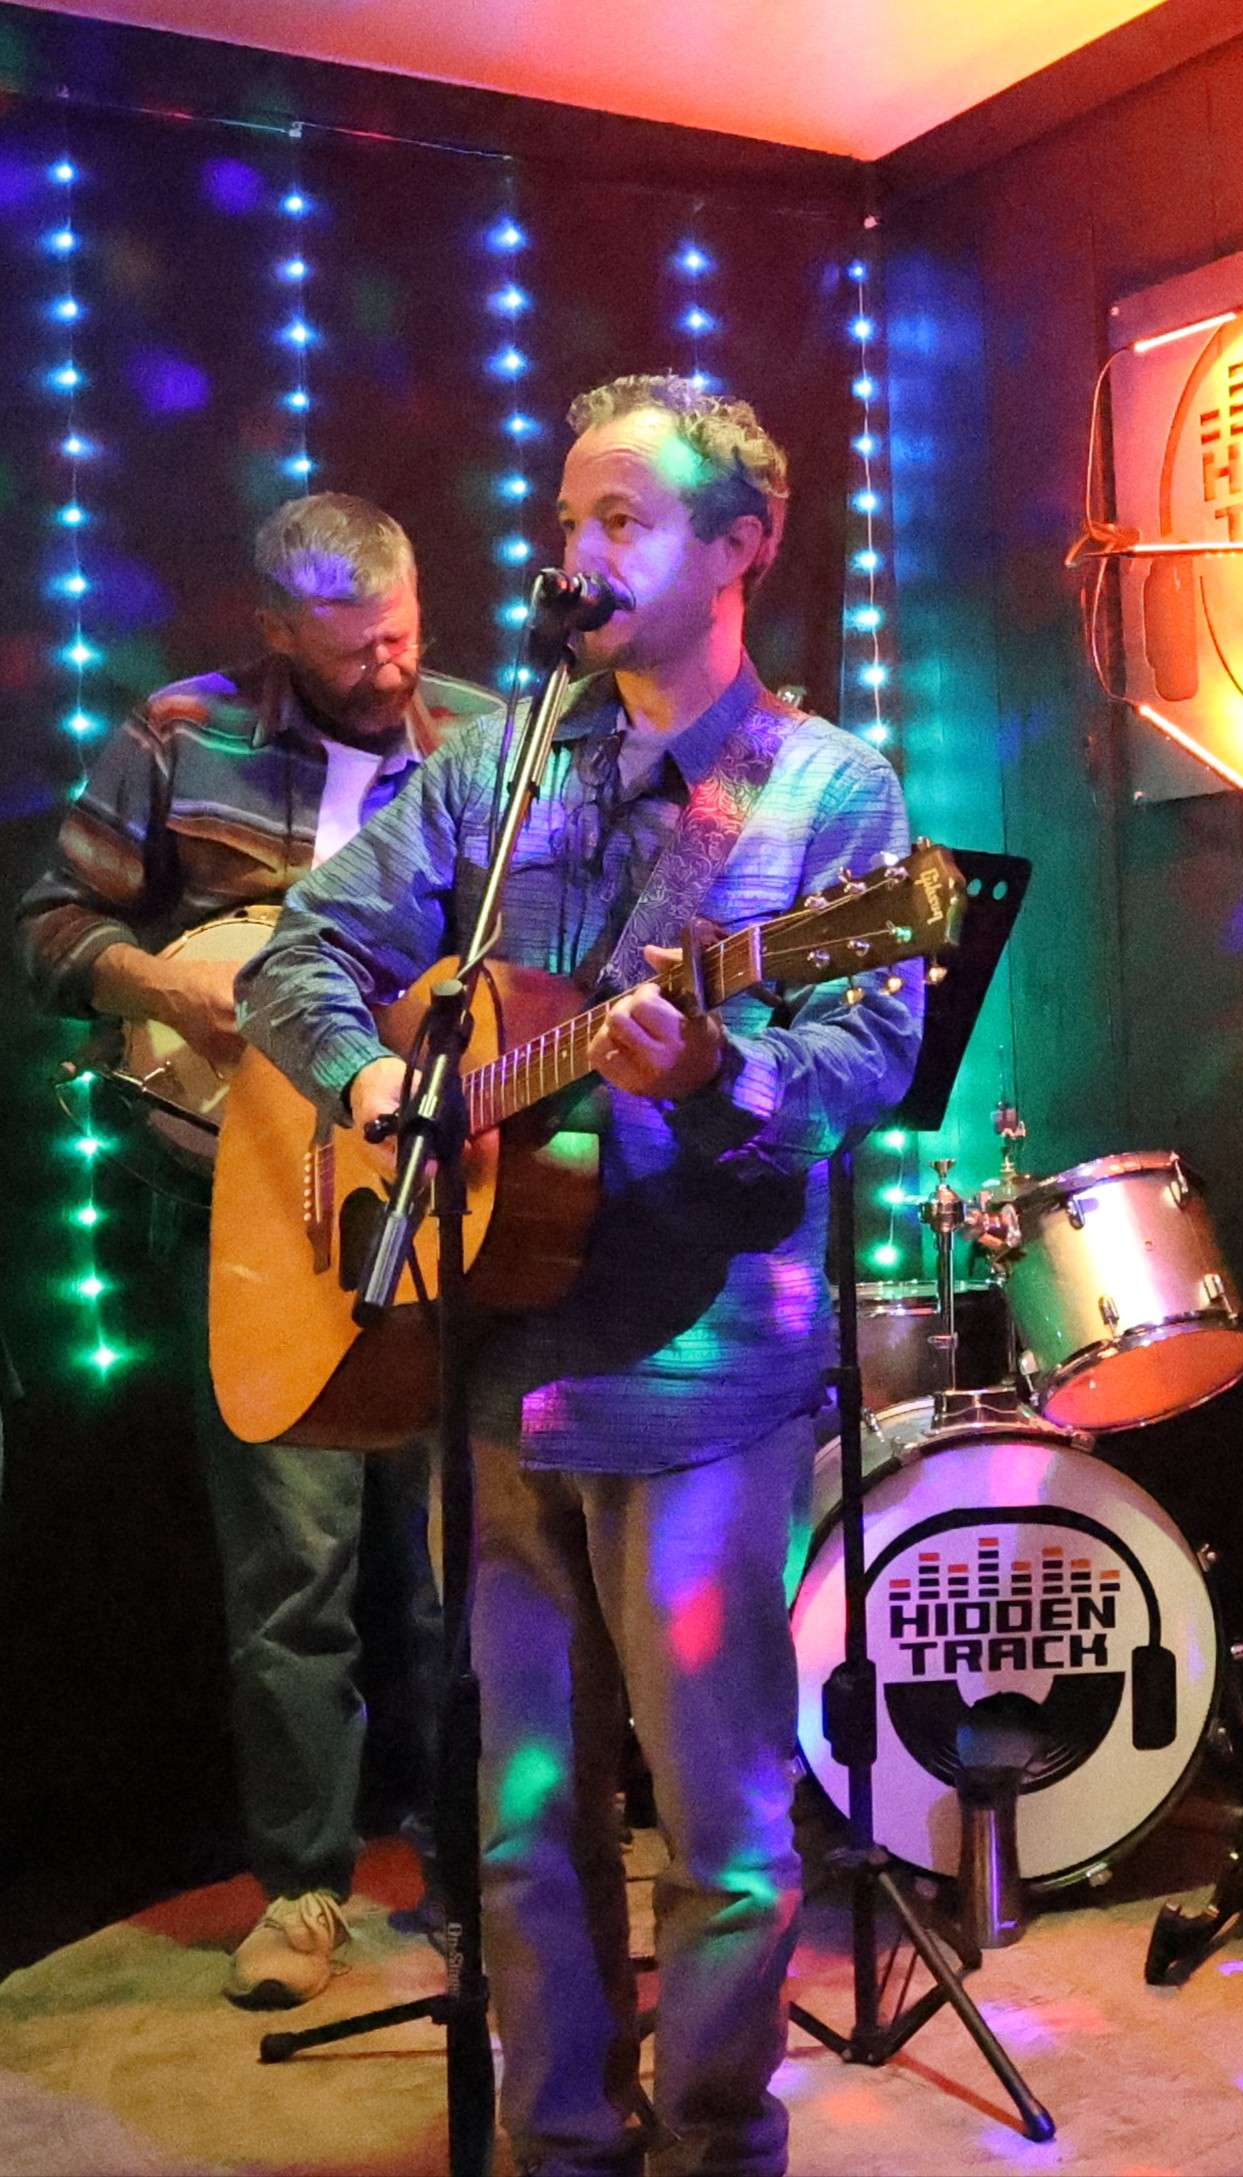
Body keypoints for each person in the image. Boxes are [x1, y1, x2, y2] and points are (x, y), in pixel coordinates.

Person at [235, 375, 921, 2177]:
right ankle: (558, 2146)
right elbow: (304, 952)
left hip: (701, 1375)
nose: (578, 549)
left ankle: (711, 2141)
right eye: (568, 517)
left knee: (724, 1828)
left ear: (741, 546)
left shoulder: (831, 793)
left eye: (624, 516)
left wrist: (718, 1074)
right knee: (524, 1814)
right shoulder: (497, 761)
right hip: (494, 1364)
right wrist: (372, 1079)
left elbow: (863, 1056)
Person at [17, 494, 493, 2005]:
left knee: (450, 1565)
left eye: (404, 633)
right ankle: (303, 1884)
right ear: (277, 630)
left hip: (431, 1202)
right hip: (237, 1200)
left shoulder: (486, 739)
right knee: (294, 1570)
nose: (388, 668)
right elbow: (47, 928)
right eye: (353, 649)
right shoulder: (175, 736)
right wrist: (167, 981)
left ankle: (470, 1872)